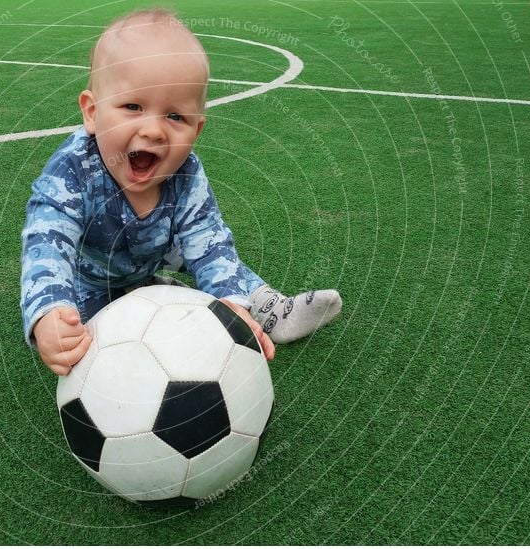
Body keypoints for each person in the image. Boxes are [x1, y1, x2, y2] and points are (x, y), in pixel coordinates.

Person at [21, 9, 342, 375]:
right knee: (92, 340)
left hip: (158, 249)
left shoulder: (186, 171)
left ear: (197, 129)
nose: (155, 131)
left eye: (175, 117)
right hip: (92, 276)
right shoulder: (73, 169)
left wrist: (230, 304)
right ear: (92, 113)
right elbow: (46, 242)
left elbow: (209, 237)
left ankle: (267, 307)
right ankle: (140, 293)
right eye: (133, 107)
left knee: (210, 255)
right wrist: (48, 312)